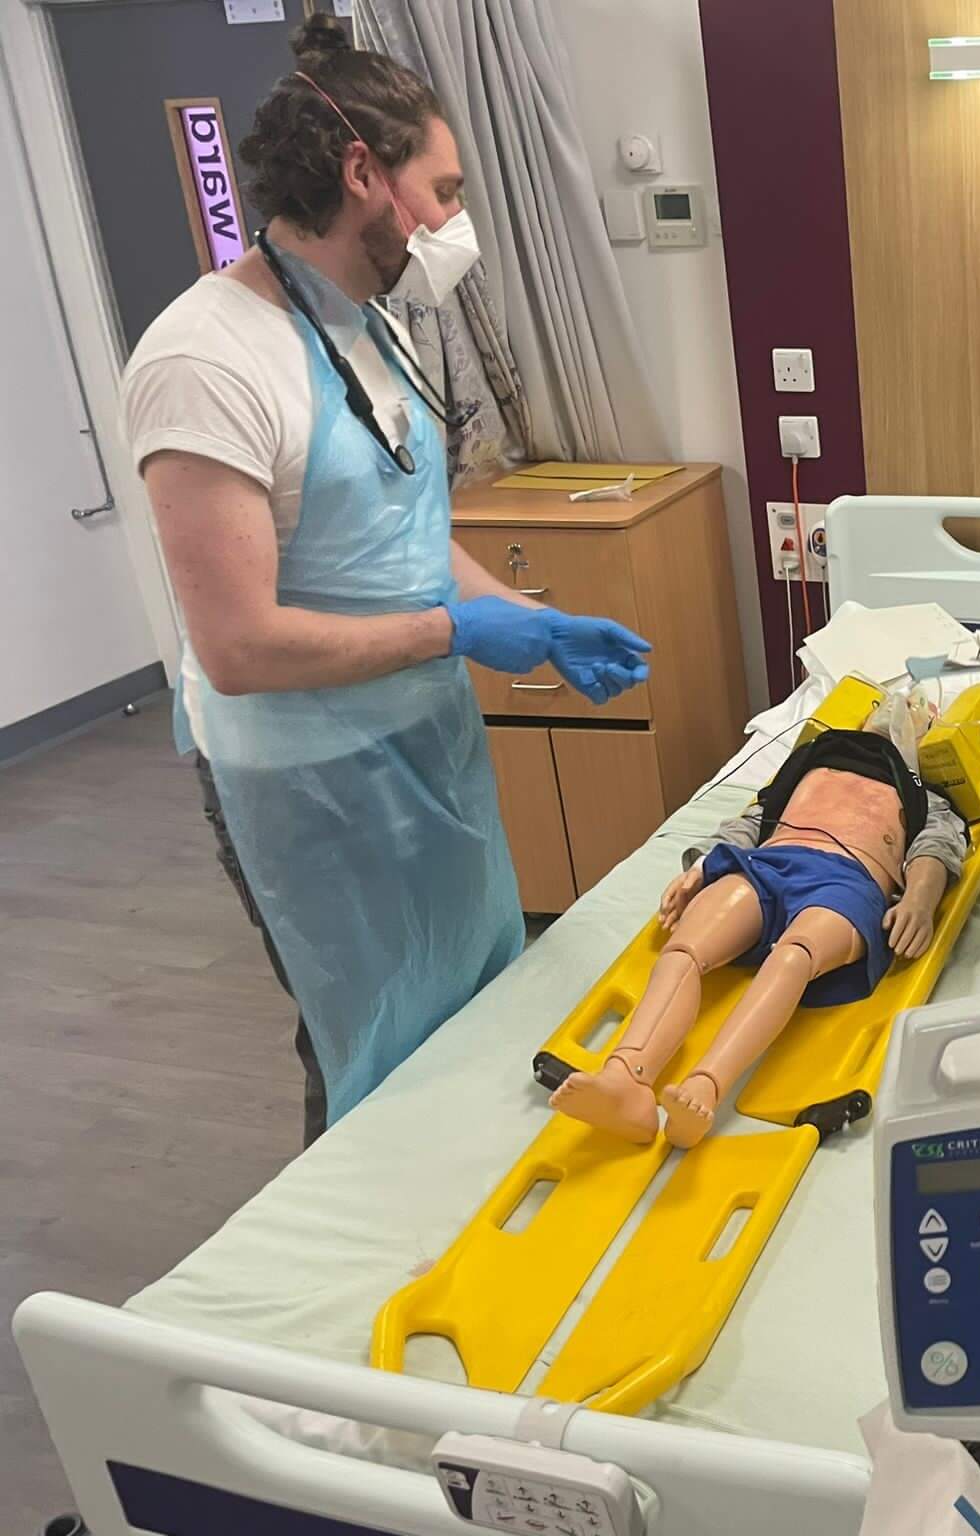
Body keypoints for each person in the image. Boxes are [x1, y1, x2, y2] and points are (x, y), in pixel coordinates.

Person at [122, 18, 652, 1145]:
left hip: (426, 744)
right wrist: (455, 631)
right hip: (310, 786)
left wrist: (528, 622)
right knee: (367, 1049)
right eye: (444, 189)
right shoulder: (204, 362)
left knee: (471, 1012)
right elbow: (241, 648)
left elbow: (405, 528)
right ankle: (349, 1284)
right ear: (364, 170)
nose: (455, 221)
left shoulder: (373, 330)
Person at [546, 694, 965, 1148]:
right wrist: (702, 866)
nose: (898, 710)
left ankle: (706, 1086)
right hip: (765, 864)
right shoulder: (806, 766)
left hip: (847, 880)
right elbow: (751, 821)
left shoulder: (923, 791)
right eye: (888, 703)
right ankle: (625, 1079)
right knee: (685, 948)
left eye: (914, 709)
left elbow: (936, 846)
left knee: (794, 954)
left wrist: (919, 900)